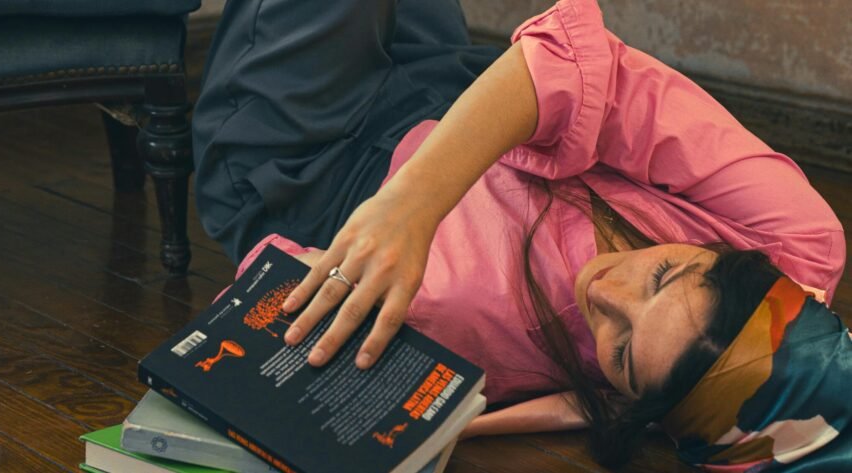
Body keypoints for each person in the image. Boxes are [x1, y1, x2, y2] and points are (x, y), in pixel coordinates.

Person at [193, 0, 849, 469]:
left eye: (620, 350)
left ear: (631, 405)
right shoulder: (795, 243)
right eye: (661, 273)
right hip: (451, 80)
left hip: (310, 173)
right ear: (724, 255)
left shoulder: (489, 346)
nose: (606, 292)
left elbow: (269, 328)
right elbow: (581, 69)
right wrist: (412, 207)